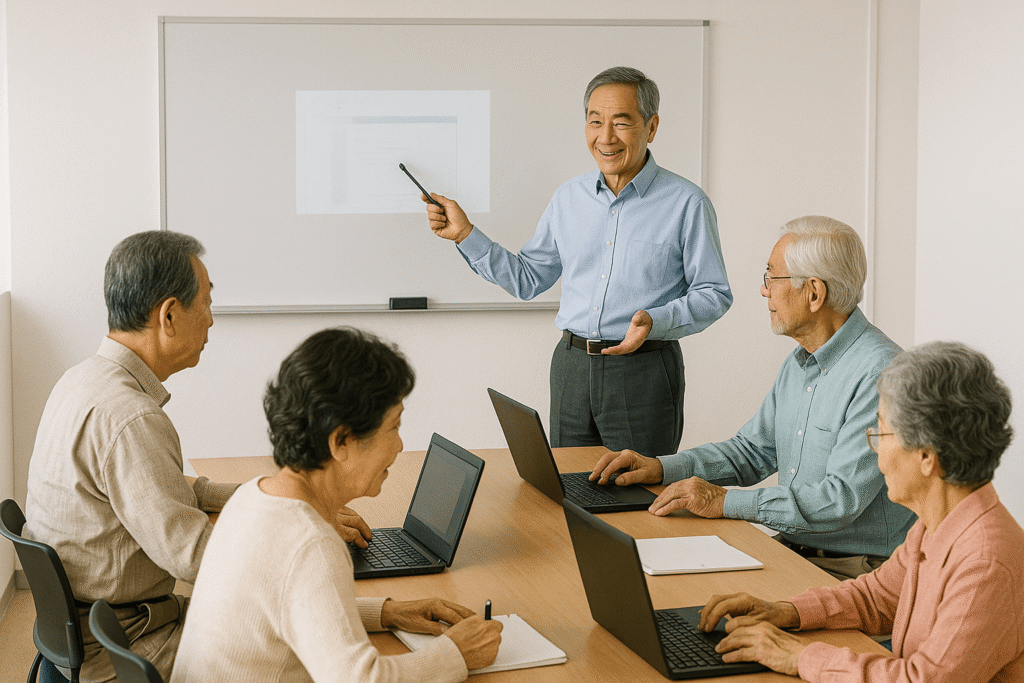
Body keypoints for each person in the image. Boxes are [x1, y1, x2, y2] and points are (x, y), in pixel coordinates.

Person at [422, 66, 732, 457]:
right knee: (568, 485)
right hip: (571, 368)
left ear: (651, 127)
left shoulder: (687, 202)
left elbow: (714, 293)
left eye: (621, 123)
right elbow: (528, 279)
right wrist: (466, 234)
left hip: (643, 370)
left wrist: (656, 320)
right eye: (595, 121)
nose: (606, 137)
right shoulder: (568, 198)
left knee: (638, 488)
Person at [170, 328, 502, 683]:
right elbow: (360, 680)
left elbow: (289, 607)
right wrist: (456, 653)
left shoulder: (252, 497)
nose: (401, 445)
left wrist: (387, 612)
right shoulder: (311, 544)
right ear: (341, 441)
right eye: (394, 427)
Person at [591, 216, 915, 579]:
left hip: (856, 570)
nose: (764, 291)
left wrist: (723, 501)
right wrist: (662, 468)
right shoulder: (801, 362)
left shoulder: (882, 374)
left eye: (771, 278)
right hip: (792, 548)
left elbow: (838, 500)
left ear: (814, 293)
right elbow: (753, 451)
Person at [697, 341, 1024, 681]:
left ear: (927, 456)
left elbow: (922, 680)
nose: (876, 450)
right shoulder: (938, 524)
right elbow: (876, 597)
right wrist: (785, 611)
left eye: (881, 432)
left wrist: (801, 656)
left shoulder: (985, 563)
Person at [22, 231, 241, 682]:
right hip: (128, 647)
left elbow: (161, 489)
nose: (211, 320)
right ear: (169, 315)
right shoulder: (130, 418)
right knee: (293, 646)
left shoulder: (80, 381)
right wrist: (298, 533)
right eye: (206, 302)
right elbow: (197, 558)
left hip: (89, 635)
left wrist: (266, 497)